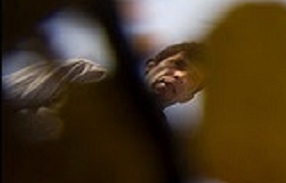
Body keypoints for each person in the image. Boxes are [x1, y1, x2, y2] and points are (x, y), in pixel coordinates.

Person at [3, 41, 206, 139]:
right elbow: (11, 94)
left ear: (188, 98)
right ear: (151, 65)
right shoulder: (84, 74)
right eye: (178, 64)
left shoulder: (156, 147)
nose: (180, 76)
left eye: (193, 79)